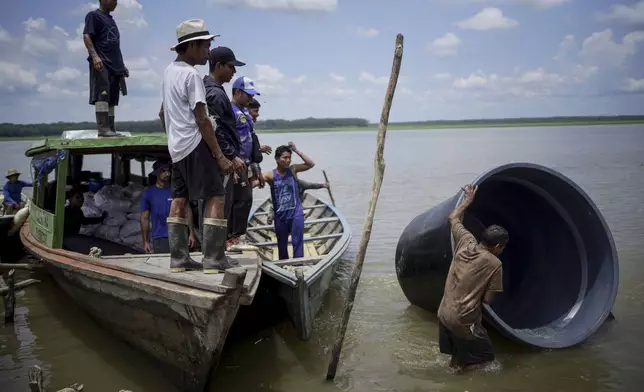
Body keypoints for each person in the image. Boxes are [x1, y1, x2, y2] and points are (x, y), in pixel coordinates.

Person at [159, 19, 237, 274]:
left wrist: (173, 139)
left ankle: (179, 259)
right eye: (206, 46)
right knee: (216, 195)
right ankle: (214, 259)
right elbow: (202, 119)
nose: (208, 52)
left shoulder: (169, 71)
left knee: (179, 198)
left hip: (177, 148)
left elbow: (163, 114)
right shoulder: (192, 75)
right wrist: (220, 156)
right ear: (192, 46)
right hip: (195, 144)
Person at [437, 184, 508, 374]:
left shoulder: (465, 241)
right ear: (498, 246)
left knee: (459, 360)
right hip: (463, 321)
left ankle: (447, 381)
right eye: (502, 248)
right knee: (487, 361)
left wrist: (467, 201)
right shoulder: (494, 264)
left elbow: (452, 217)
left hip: (443, 314)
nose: (502, 251)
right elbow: (487, 300)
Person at [202, 46, 249, 249]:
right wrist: (230, 155)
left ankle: (217, 248)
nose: (234, 72)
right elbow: (215, 128)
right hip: (220, 159)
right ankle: (215, 251)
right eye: (231, 67)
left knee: (223, 202)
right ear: (219, 65)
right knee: (219, 203)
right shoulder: (214, 93)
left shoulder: (215, 90)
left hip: (222, 157)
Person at [258, 142, 315, 260]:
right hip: (280, 216)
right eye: (284, 157)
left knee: (297, 242)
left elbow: (310, 164)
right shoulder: (270, 175)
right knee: (282, 245)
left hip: (296, 214)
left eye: (289, 157)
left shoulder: (293, 169)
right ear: (277, 159)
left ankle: (299, 265)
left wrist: (296, 150)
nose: (288, 160)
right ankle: (283, 265)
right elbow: (254, 181)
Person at [83, 0, 129, 137]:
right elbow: (86, 36)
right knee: (102, 95)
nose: (115, 3)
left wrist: (121, 66)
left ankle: (111, 128)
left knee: (112, 97)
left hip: (115, 66)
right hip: (102, 63)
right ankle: (103, 129)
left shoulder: (111, 20)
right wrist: (95, 56)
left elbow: (114, 46)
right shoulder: (94, 16)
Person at [140, 159, 197, 254]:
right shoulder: (148, 193)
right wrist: (145, 241)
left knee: (180, 265)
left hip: (179, 235)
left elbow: (187, 211)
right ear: (157, 173)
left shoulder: (177, 190)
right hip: (159, 237)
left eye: (168, 171)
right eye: (163, 171)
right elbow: (144, 218)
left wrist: (191, 233)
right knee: (163, 265)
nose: (167, 174)